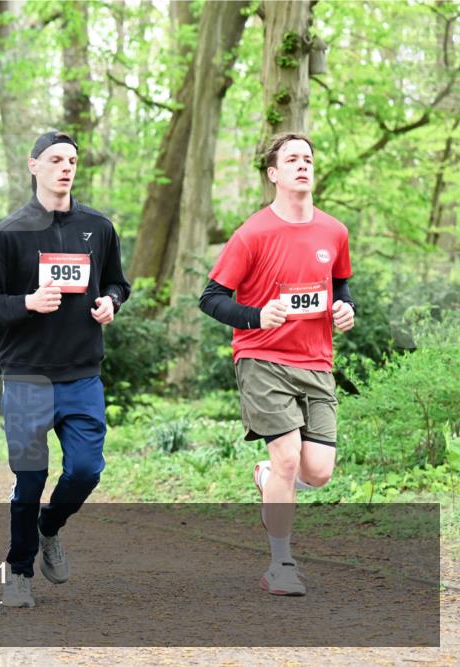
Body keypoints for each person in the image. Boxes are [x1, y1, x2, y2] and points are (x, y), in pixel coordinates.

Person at [0, 131, 130, 608]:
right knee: (30, 479)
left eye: (72, 161)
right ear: (33, 165)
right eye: (56, 159)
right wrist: (27, 303)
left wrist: (111, 302)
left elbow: (117, 283)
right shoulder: (9, 234)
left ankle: (50, 526)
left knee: (86, 470)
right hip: (26, 376)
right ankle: (19, 570)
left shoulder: (98, 227)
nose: (65, 168)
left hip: (81, 373)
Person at [199, 133, 355, 596]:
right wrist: (256, 316)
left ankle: (269, 480)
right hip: (262, 358)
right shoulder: (253, 233)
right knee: (287, 457)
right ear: (274, 174)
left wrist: (345, 309)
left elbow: (340, 286)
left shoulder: (334, 231)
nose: (302, 165)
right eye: (292, 159)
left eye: (308, 158)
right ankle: (280, 565)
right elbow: (211, 298)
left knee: (318, 472)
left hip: (316, 361)